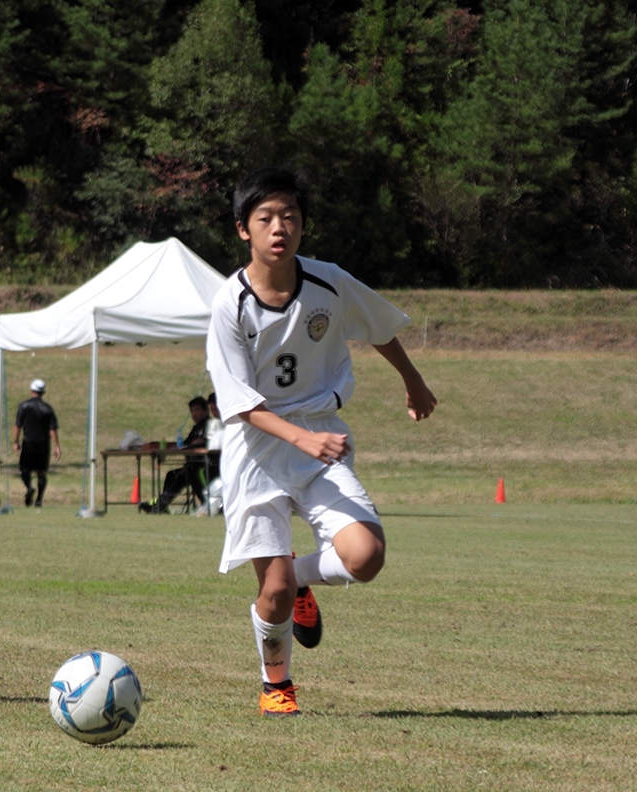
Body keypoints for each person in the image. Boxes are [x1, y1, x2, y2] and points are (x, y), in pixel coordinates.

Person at [206, 167, 437, 716]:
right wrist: (298, 440)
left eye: (289, 216)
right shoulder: (228, 305)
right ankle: (276, 685)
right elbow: (237, 402)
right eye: (265, 218)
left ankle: (301, 579)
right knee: (274, 591)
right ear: (244, 229)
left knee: (367, 555)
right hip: (256, 451)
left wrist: (414, 380)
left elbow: (378, 326)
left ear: (303, 225)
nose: (278, 227)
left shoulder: (329, 282)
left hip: (318, 434)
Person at [139, 396, 210, 514]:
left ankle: (159, 506)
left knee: (187, 474)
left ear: (205, 410)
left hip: (205, 466)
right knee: (171, 475)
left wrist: (202, 442)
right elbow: (186, 446)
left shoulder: (210, 424)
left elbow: (210, 444)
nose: (194, 413)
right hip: (192, 465)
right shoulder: (196, 428)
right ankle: (162, 505)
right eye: (192, 411)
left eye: (197, 410)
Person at [13, 378, 61, 508]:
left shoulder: (23, 406)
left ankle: (29, 487)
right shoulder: (48, 409)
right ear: (43, 392)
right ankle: (39, 499)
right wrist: (57, 446)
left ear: (31, 391)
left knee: (24, 470)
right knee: (41, 472)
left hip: (28, 443)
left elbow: (18, 425)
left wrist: (16, 441)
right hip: (43, 444)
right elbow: (52, 429)